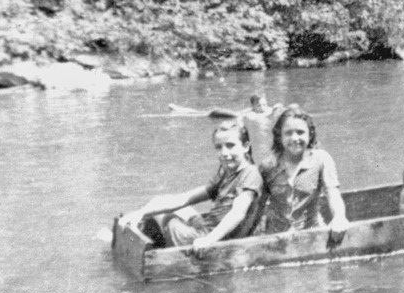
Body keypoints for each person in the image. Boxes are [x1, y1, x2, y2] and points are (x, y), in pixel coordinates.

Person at [120, 120, 264, 254]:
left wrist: (209, 240)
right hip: (206, 227)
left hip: (214, 237)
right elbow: (185, 198)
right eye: (219, 147)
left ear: (246, 147)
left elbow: (237, 214)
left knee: (165, 218)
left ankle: (148, 247)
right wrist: (141, 212)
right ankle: (139, 229)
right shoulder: (226, 173)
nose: (224, 153)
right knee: (167, 203)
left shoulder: (250, 174)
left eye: (230, 146)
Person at [256, 106, 350, 239]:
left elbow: (333, 193)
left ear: (310, 134)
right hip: (276, 237)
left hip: (311, 233)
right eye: (288, 133)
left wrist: (339, 217)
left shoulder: (321, 159)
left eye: (300, 132)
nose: (295, 138)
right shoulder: (268, 166)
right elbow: (257, 207)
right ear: (279, 137)